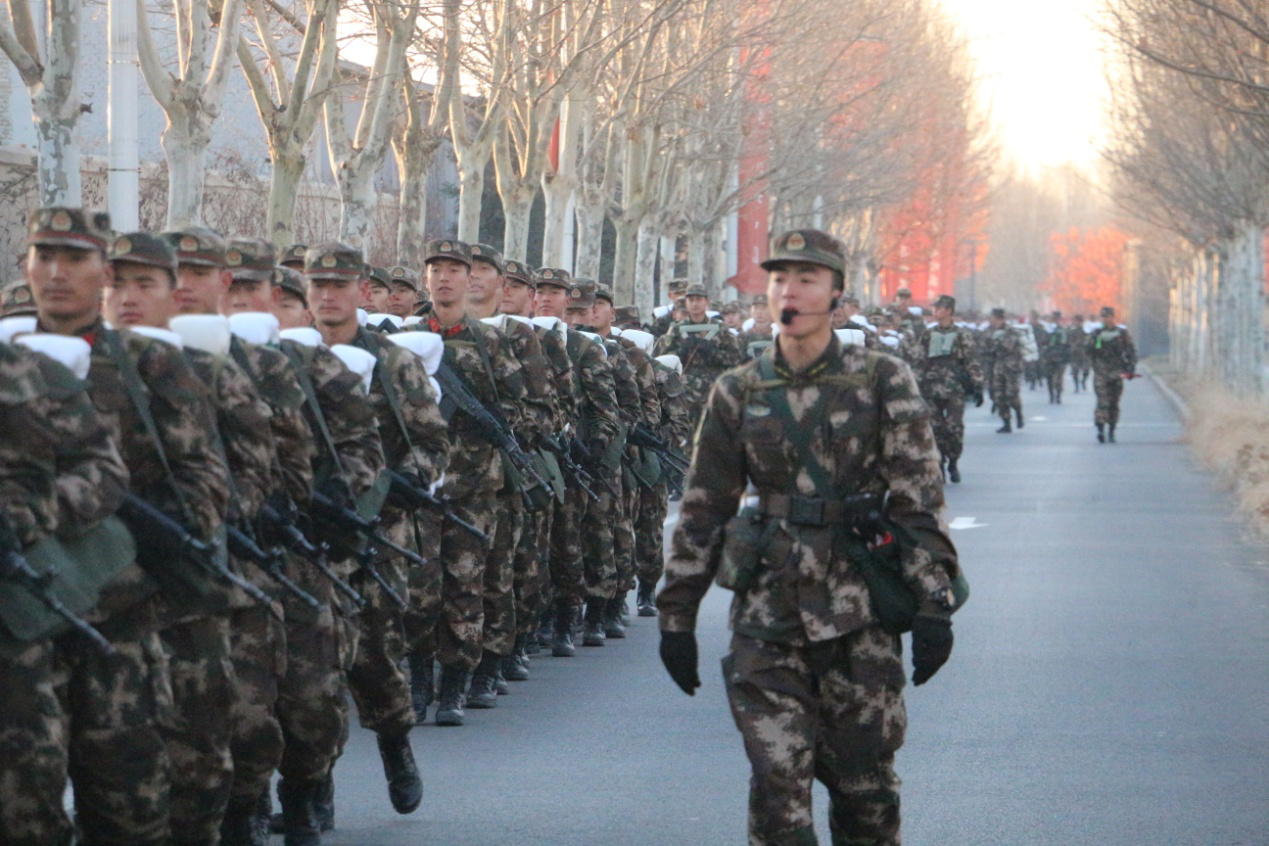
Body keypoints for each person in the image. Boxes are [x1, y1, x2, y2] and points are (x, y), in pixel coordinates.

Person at [657, 228, 961, 846]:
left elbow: (918, 500)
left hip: (860, 616)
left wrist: (935, 605)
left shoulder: (881, 380)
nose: (789, 290)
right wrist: (676, 617)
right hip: (767, 617)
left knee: (866, 795)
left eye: (807, 279)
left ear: (836, 294)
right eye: (779, 279)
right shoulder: (739, 389)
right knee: (777, 791)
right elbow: (703, 507)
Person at [651, 283, 742, 431]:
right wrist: (681, 352)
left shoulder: (721, 329)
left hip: (714, 392)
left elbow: (736, 359)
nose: (695, 304)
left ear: (706, 301)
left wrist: (714, 353)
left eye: (699, 299)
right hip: (683, 393)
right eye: (691, 300)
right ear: (686, 302)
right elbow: (662, 361)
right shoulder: (676, 330)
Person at [915, 295, 983, 483]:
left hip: (954, 389)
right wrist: (914, 385)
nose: (936, 311)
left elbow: (971, 361)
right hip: (931, 388)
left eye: (939, 308)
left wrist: (977, 385)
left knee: (954, 429)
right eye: (935, 308)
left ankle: (953, 460)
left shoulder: (963, 335)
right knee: (935, 429)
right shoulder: (927, 335)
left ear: (949, 310)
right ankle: (940, 464)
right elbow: (919, 361)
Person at [1088, 306, 1137, 443]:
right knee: (1102, 401)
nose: (1106, 319)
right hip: (1101, 372)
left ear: (1112, 317)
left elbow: (1130, 351)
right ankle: (1100, 429)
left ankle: (1112, 429)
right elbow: (1089, 351)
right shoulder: (1096, 333)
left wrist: (1131, 367)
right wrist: (1094, 344)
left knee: (1114, 402)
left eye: (1108, 316)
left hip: (1117, 372)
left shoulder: (1121, 333)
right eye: (1103, 317)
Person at [983, 308, 1024, 433]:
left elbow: (1009, 346)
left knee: (1011, 395)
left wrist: (996, 341)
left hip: (1011, 367)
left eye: (993, 318)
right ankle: (1006, 422)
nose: (991, 321)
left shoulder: (1011, 331)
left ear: (999, 319)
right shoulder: (988, 331)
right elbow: (984, 346)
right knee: (999, 396)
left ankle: (1018, 412)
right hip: (996, 367)